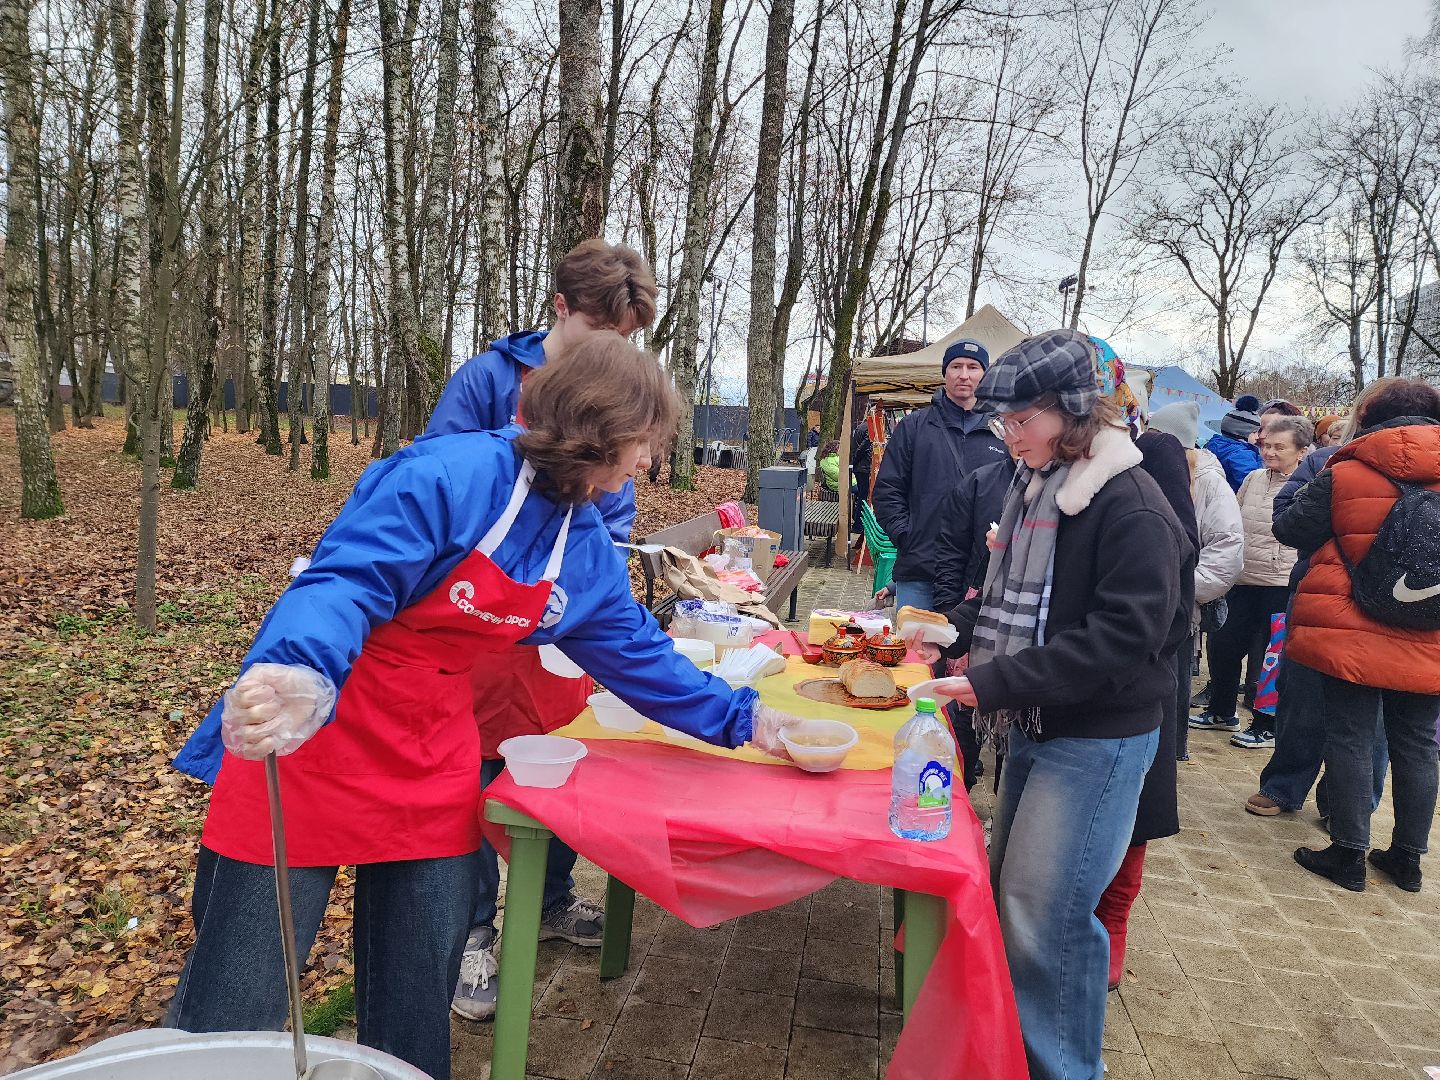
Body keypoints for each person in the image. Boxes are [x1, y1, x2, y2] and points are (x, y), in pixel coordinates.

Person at [162, 337, 806, 1078]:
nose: (646, 463)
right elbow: (343, 584)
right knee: (235, 1002)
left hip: (432, 750)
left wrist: (747, 719)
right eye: (644, 444)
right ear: (604, 431)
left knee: (412, 997)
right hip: (313, 725)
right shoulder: (444, 476)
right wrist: (303, 670)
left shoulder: (584, 545)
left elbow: (639, 656)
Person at [916, 329, 1190, 1080]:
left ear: (1071, 412)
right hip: (1040, 723)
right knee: (1019, 904)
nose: (1007, 433)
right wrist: (946, 635)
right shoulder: (1036, 483)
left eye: (1020, 420)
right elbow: (1003, 590)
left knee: (1049, 916)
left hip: (1097, 739)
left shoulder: (1130, 503)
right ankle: (1016, 1056)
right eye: (1003, 419)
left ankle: (1066, 1069)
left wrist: (994, 683)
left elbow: (1124, 639)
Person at [424, 239, 656, 1019]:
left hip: (558, 629)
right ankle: (475, 933)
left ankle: (552, 899)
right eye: (599, 334)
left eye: (623, 341)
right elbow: (444, 490)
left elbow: (609, 513)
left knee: (556, 761)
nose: (609, 353)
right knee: (483, 778)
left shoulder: (616, 399)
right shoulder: (489, 380)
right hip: (479, 631)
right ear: (560, 310)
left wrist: (590, 585)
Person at [1276, 378, 1440, 893]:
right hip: (1430, 629)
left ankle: (1348, 854)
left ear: (1372, 417)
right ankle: (1408, 859)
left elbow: (1293, 529)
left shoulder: (1347, 465)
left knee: (1349, 733)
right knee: (1417, 743)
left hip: (1350, 624)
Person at [1245, 385, 1401, 820]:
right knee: (1303, 697)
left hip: (1392, 607)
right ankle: (1285, 786)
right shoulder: (1323, 461)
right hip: (1322, 593)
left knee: (1373, 715)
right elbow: (1286, 520)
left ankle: (1347, 805)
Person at [1190, 415, 1311, 741]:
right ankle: (1220, 710)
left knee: (1272, 658)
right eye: (1266, 445)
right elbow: (1235, 526)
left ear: (1301, 451)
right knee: (1223, 645)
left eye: (1278, 447)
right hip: (1243, 579)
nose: (1269, 452)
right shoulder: (1253, 479)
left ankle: (1265, 725)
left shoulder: (1309, 484)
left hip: (1279, 583)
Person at [872, 338, 1007, 613]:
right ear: (945, 373)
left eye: (973, 367)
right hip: (922, 569)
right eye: (956, 366)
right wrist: (909, 536)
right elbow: (887, 491)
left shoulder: (1004, 432)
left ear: (985, 374)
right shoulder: (914, 427)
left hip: (982, 574)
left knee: (973, 654)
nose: (964, 375)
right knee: (918, 653)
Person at [1146, 402, 1244, 764]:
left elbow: (1228, 550)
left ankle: (1172, 754)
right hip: (1152, 605)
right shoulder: (1150, 471)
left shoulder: (1210, 484)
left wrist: (1183, 592)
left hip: (1182, 610)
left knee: (1174, 685)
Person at [931, 453, 1017, 791]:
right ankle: (959, 789)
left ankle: (1001, 798)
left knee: (1009, 726)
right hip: (976, 607)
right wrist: (946, 615)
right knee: (964, 712)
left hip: (1023, 634)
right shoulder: (982, 480)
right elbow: (951, 549)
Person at [1204, 399, 1264, 491]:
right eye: (1255, 432)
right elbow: (1251, 482)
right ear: (1242, 433)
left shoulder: (1213, 445)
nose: (1257, 437)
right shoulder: (1241, 454)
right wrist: (1261, 460)